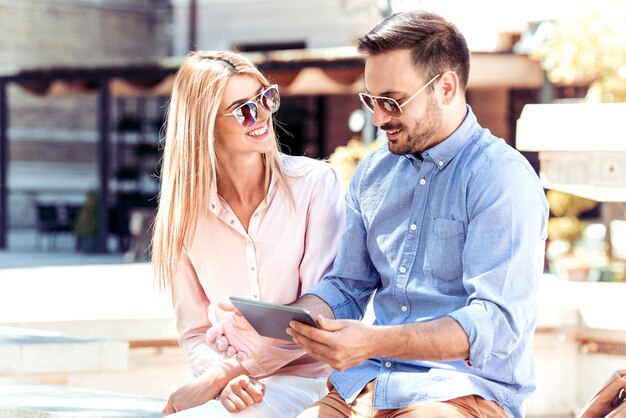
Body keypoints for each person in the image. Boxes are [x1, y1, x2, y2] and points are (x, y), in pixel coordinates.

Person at [207, 10, 549, 418]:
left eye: (392, 100)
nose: (378, 117)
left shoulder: (501, 179)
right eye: (371, 99)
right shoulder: (373, 173)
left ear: (445, 87)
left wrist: (373, 342)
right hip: (365, 387)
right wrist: (284, 323)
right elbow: (348, 287)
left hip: (461, 395)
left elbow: (495, 324)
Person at [151, 50, 345, 417]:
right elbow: (194, 330)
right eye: (242, 109)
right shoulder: (184, 212)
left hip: (314, 380)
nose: (261, 117)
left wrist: (225, 374)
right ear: (203, 124)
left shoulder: (316, 185)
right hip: (233, 387)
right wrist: (222, 378)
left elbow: (320, 318)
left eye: (265, 98)